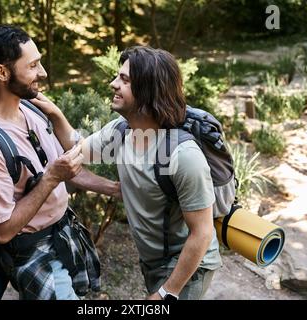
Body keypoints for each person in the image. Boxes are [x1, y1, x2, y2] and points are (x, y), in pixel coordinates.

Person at [32, 46, 223, 300]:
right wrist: (55, 114)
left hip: (188, 265)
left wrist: (168, 292)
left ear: (148, 90)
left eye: (124, 80)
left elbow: (202, 233)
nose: (113, 84)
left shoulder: (183, 155)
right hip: (154, 261)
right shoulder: (121, 131)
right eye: (117, 76)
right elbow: (78, 148)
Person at [0, 25, 121, 300]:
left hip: (62, 233)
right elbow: (1, 232)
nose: (43, 73)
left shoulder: (30, 108)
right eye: (33, 65)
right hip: (34, 253)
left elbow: (69, 167)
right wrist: (50, 178)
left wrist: (117, 190)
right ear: (2, 72)